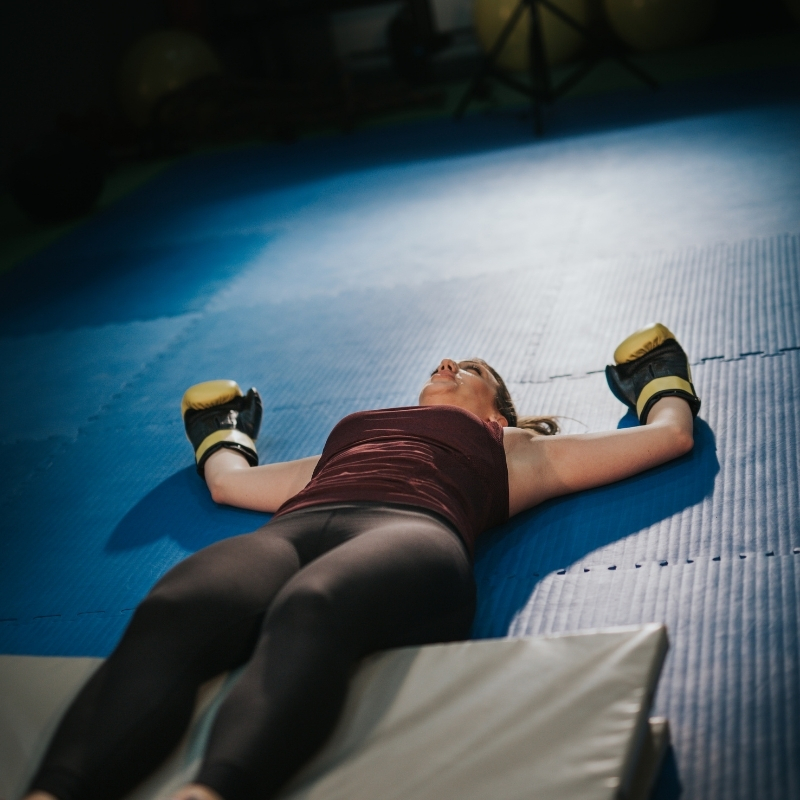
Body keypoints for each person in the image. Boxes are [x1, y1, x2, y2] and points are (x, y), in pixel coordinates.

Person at [25, 322, 700, 800]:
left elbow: (667, 437)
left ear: (495, 412)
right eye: (445, 360)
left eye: (468, 370)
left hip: (410, 532)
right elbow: (231, 484)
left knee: (311, 606)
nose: (447, 363)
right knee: (175, 608)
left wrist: (660, 381)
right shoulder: (353, 434)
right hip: (293, 529)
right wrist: (226, 431)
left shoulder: (515, 447)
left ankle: (210, 792)